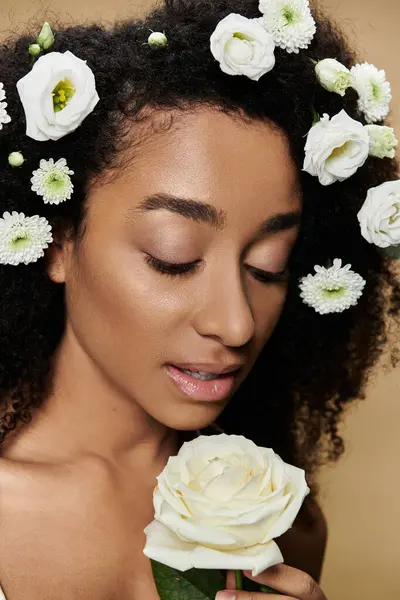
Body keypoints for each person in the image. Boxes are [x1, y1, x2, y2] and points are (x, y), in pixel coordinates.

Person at [0, 0, 399, 598]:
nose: (236, 324)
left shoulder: (282, 527)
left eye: (270, 267)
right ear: (57, 244)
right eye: (174, 257)